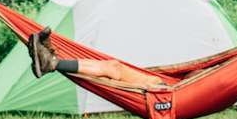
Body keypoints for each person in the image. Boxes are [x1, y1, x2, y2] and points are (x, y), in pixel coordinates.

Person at [27, 28, 166, 89]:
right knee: (112, 66)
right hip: (163, 86)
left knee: (114, 69)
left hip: (161, 91)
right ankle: (52, 60)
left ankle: (52, 63)